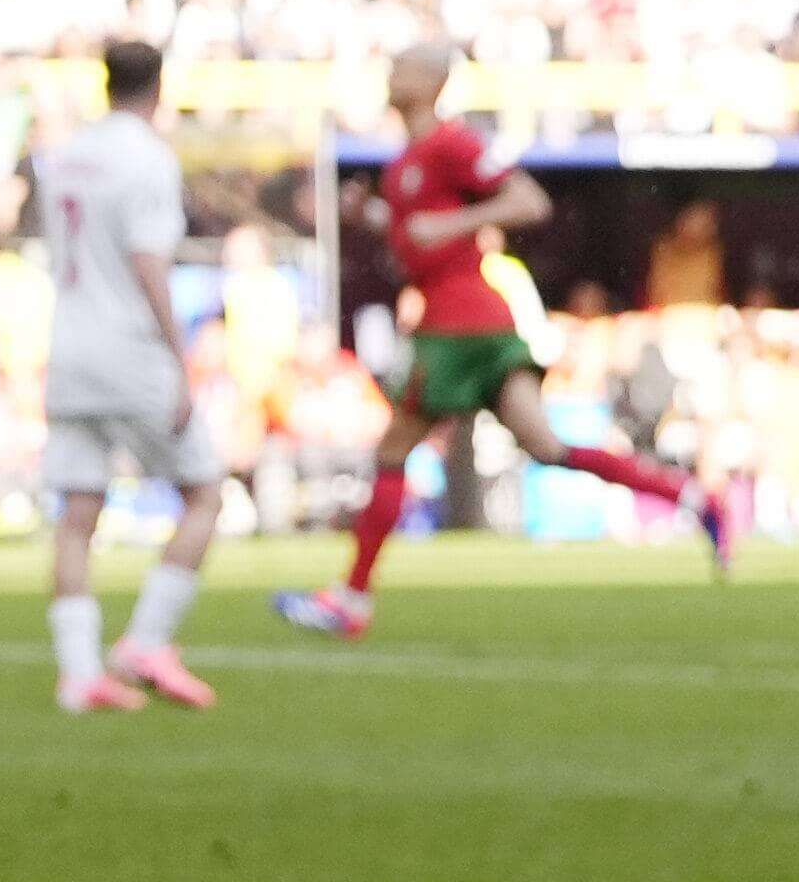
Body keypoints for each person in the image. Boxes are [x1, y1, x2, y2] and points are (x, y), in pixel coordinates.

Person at [280, 35, 710, 636]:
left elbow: (528, 201)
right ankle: (688, 497)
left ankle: (352, 602)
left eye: (404, 65)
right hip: (476, 322)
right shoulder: (404, 162)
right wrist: (371, 218)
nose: (392, 71)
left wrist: (456, 221)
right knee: (547, 448)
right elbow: (421, 240)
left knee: (391, 453)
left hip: (458, 323)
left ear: (431, 82)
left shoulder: (451, 142)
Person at [31, 38, 223, 713]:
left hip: (69, 347)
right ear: (160, 87)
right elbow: (149, 263)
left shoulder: (67, 156)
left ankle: (79, 674)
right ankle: (146, 639)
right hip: (128, 349)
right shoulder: (148, 158)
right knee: (205, 491)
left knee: (79, 511)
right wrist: (181, 357)